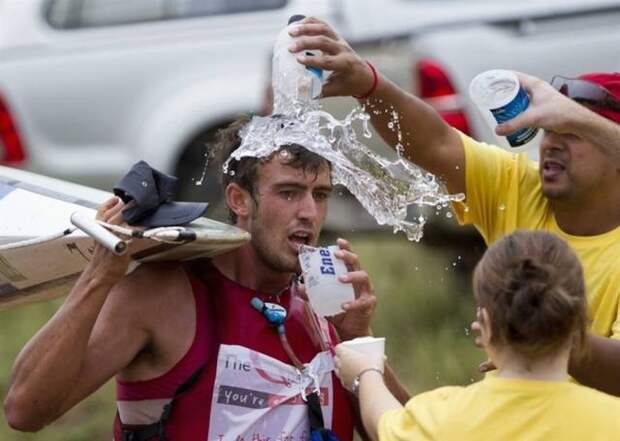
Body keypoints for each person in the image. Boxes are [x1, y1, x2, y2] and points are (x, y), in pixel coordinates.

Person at [3, 116, 408, 440]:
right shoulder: (163, 295)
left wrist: (357, 340)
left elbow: (405, 436)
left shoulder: (325, 309)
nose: (309, 212)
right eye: (288, 192)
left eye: (319, 195)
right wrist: (98, 278)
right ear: (239, 200)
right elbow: (25, 410)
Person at [289, 17, 620, 395]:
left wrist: (537, 337)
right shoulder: (520, 186)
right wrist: (368, 84)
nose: (551, 144)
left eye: (574, 131)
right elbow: (437, 143)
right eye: (549, 128)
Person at [335, 230, 620, 441]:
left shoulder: (442, 417)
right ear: (580, 321)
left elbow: (381, 419)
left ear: (484, 324)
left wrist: (366, 370)